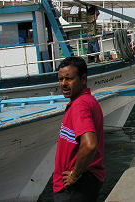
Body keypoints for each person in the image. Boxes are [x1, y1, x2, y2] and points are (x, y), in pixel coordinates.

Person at [53, 56, 105, 201]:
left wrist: (74, 175)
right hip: (84, 183)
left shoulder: (80, 105)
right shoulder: (87, 101)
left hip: (75, 187)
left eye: (69, 79)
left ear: (83, 79)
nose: (63, 84)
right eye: (60, 79)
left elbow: (90, 145)